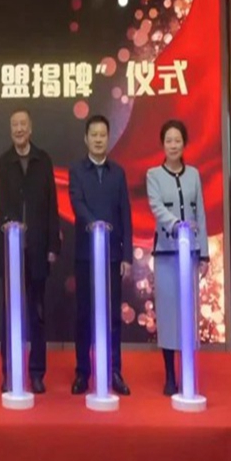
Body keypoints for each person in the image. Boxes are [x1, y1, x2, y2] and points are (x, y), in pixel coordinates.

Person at [0, 109, 60, 394]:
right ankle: (9, 372)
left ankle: (36, 372)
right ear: (11, 130)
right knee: (10, 315)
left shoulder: (43, 160)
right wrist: (9, 225)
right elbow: (0, 205)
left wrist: (53, 246)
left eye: (23, 124)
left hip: (37, 250)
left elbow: (52, 205)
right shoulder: (2, 163)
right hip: (11, 250)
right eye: (14, 125)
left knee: (37, 313)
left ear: (30, 128)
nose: (19, 129)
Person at [69, 114, 132, 396]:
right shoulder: (76, 170)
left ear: (108, 138)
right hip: (86, 254)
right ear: (86, 139)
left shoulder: (118, 172)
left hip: (113, 256)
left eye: (102, 135)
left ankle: (114, 370)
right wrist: (95, 225)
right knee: (84, 315)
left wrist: (127, 255)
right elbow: (77, 203)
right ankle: (83, 372)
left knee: (112, 316)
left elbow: (125, 213)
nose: (98, 139)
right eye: (93, 135)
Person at [145, 120, 209, 396]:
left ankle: (188, 371)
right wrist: (176, 225)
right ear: (163, 144)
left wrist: (203, 253)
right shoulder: (153, 175)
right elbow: (156, 207)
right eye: (168, 140)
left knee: (188, 314)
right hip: (167, 254)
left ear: (185, 143)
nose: (173, 145)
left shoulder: (193, 174)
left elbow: (200, 214)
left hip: (190, 255)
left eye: (177, 140)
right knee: (168, 314)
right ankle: (170, 375)